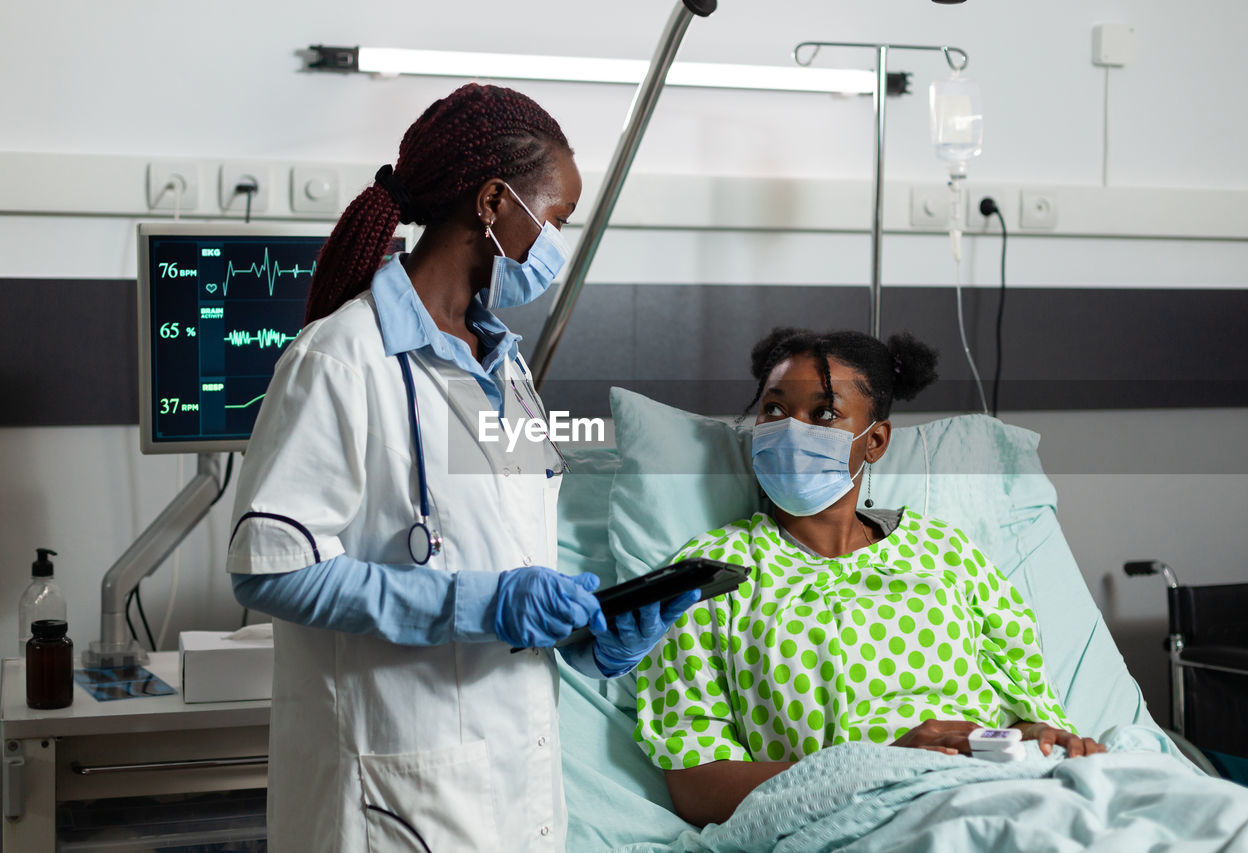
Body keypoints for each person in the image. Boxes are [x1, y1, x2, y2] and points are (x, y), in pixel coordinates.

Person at [227, 83, 696, 852]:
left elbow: (502, 562)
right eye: (556, 218)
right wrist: (484, 605)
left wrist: (591, 631)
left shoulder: (504, 370)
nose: (555, 243)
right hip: (393, 791)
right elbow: (270, 569)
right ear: (493, 203)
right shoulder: (342, 358)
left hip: (515, 788)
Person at [633, 327, 1103, 828]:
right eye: (773, 409)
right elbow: (697, 786)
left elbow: (1028, 709)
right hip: (867, 821)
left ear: (874, 440)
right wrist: (880, 765)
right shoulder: (710, 572)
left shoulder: (948, 553)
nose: (791, 429)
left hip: (1011, 790)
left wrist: (1045, 740)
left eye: (824, 413)